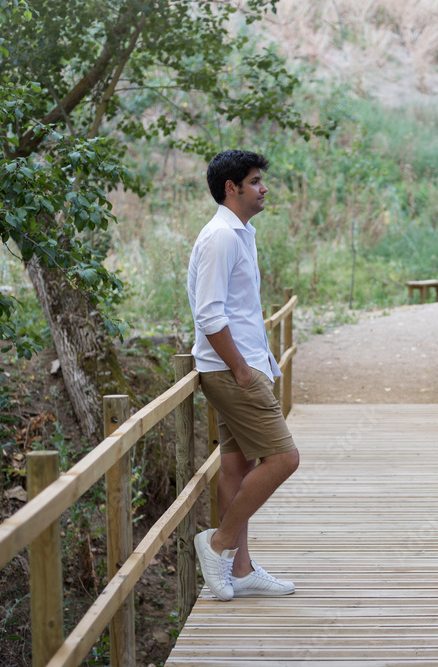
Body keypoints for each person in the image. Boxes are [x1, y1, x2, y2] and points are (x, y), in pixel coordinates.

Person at [187, 149, 300, 601]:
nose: (263, 188)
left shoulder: (241, 233)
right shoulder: (220, 237)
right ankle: (217, 545)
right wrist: (240, 369)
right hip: (232, 370)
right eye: (255, 181)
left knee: (237, 466)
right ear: (231, 188)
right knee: (284, 459)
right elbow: (209, 312)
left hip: (245, 365)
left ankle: (242, 568)